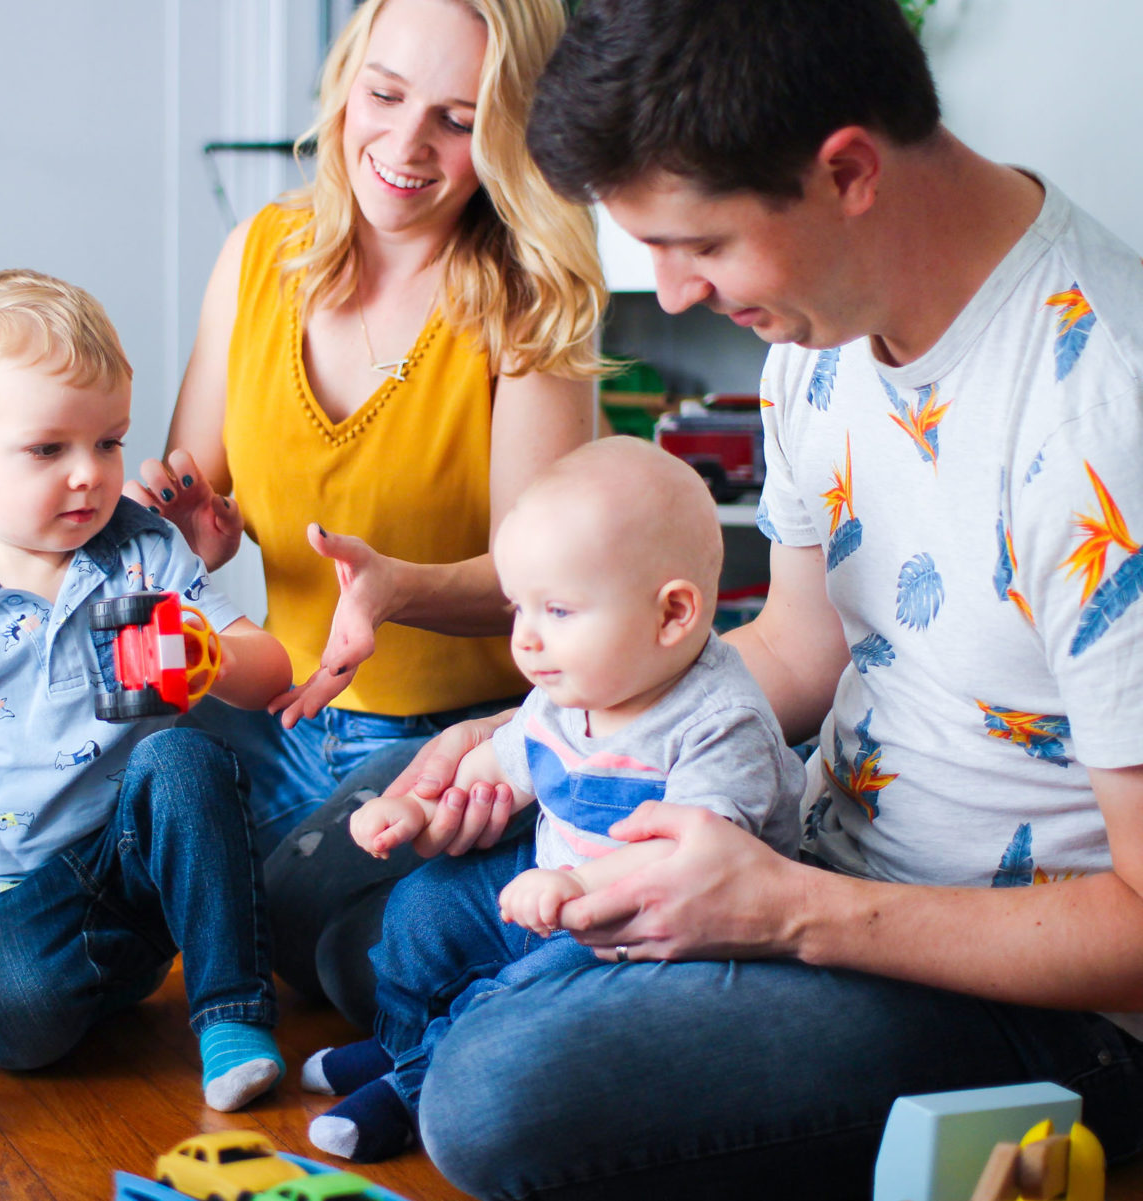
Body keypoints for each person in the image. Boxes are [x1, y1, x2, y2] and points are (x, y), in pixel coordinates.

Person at [337, 0, 1143, 1196]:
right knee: (360, 905)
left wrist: (784, 916)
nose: (668, 296)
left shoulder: (1100, 421)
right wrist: (544, 728)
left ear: (848, 172)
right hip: (815, 858)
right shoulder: (820, 329)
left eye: (697, 245)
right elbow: (798, 649)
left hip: (1041, 1003)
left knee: (495, 1095)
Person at [124, 0, 607, 869]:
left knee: (297, 920)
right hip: (277, 717)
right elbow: (193, 494)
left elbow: (547, 586)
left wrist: (398, 589)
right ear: (348, 83)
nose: (406, 144)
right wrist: (175, 527)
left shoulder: (529, 300)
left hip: (447, 744)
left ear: (508, 134)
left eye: (456, 121)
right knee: (115, 828)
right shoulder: (260, 253)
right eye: (383, 95)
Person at [0, 270, 296, 1113]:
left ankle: (232, 1015)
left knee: (186, 753)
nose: (90, 475)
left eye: (110, 442)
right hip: (21, 904)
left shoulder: (141, 552)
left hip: (144, 863)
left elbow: (270, 672)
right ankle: (94, 981)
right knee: (12, 1029)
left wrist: (212, 657)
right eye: (50, 450)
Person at [296, 438, 803, 1163]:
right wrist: (419, 811)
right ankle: (397, 1045)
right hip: (548, 883)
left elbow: (687, 863)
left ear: (672, 615)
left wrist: (573, 885)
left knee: (518, 993)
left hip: (643, 931)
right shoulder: (571, 682)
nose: (526, 640)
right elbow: (500, 766)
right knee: (420, 909)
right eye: (519, 609)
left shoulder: (722, 725)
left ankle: (414, 1090)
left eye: (557, 609)